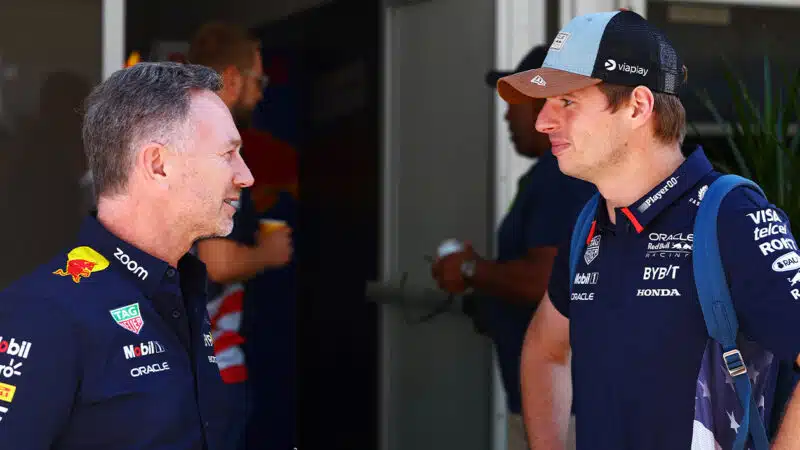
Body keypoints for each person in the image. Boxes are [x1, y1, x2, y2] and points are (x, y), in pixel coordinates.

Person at [496, 9, 800, 450]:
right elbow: (546, 347)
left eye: (566, 102)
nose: (543, 122)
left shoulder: (730, 216)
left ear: (638, 106)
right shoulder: (591, 223)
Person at [0, 62, 251, 448]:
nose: (245, 175)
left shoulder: (183, 289)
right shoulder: (43, 314)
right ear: (158, 165)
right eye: (228, 154)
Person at [431, 45, 595, 449]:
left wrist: (471, 269)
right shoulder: (558, 173)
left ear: (545, 103)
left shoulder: (562, 176)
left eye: (515, 102)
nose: (507, 114)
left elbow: (548, 283)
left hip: (564, 411)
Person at [188, 22, 295, 450]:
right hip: (213, 366)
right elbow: (214, 262)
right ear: (231, 79)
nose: (263, 91)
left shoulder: (182, 139)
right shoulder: (211, 149)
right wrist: (267, 253)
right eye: (259, 79)